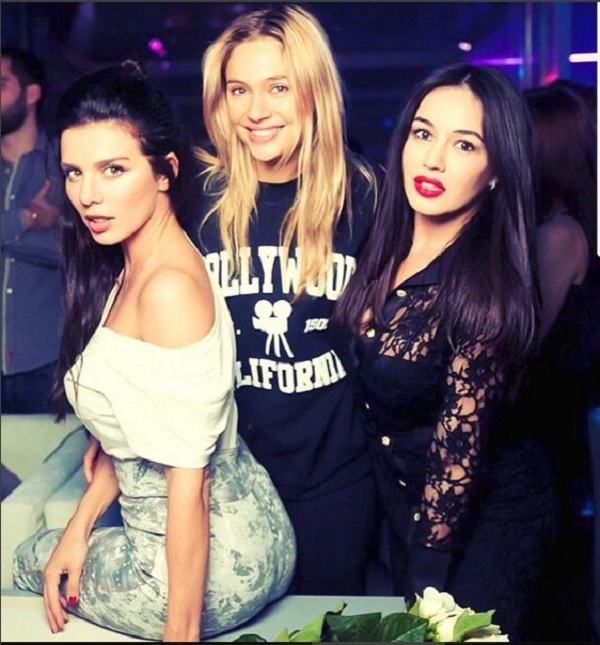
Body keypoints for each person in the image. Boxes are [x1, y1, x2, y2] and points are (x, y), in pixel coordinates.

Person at [12, 61, 295, 642]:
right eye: (74, 172)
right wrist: (79, 529)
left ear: (166, 171)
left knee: (23, 559)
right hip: (257, 534)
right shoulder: (139, 261)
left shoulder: (167, 288)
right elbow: (144, 432)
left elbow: (189, 485)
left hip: (196, 571)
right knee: (51, 548)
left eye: (113, 169)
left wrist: (179, 635)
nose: (87, 195)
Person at [332, 62, 553, 640]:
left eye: (465, 144)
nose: (432, 160)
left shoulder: (485, 289)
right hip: (403, 507)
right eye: (423, 133)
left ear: (497, 170)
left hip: (480, 524)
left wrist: (428, 587)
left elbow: (457, 460)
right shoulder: (384, 245)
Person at [190, 3, 381, 595]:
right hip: (226, 483)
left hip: (335, 484)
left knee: (323, 627)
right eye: (239, 90)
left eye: (279, 87)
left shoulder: (368, 197)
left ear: (314, 90)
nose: (256, 111)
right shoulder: (195, 201)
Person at [518, 82, 599, 643]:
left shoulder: (559, 234)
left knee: (550, 597)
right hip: (554, 431)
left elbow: (520, 347)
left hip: (545, 434)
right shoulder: (565, 227)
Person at [1, 46, 64, 414]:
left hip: (46, 363)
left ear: (32, 93)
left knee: (55, 451)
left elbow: (75, 249)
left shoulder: (63, 163)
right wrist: (28, 218)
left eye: (1, 84)